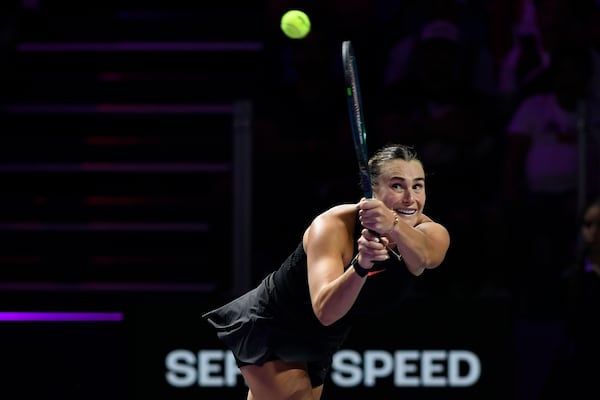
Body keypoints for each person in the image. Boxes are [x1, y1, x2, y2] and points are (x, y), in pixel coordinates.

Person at [202, 143, 450, 400]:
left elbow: (425, 258)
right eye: (397, 186)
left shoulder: (432, 233)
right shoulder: (332, 226)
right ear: (372, 191)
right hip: (274, 323)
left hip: (323, 340)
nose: (410, 198)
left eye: (418, 186)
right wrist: (361, 265)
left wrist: (394, 224)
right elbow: (326, 311)